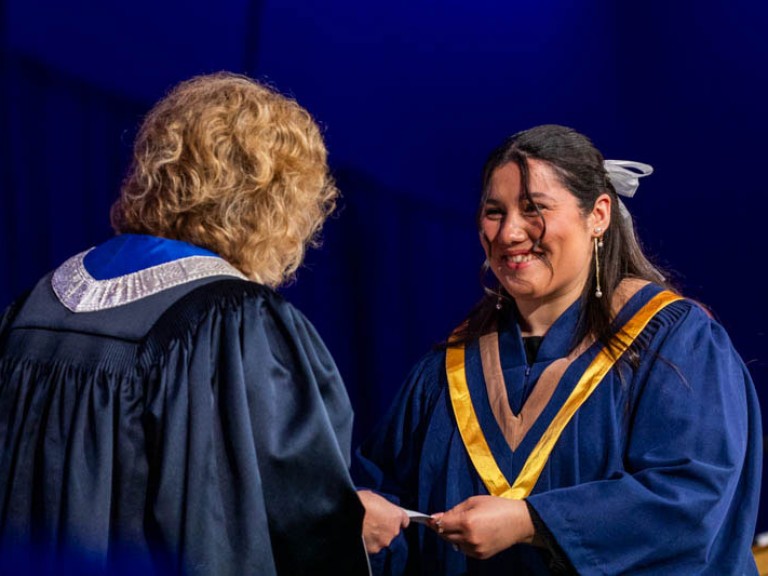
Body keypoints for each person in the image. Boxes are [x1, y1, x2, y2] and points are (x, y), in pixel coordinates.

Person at [0, 72, 370, 575]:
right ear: (276, 200)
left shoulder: (32, 309)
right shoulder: (236, 325)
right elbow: (300, 520)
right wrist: (354, 523)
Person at [353, 124, 762, 575]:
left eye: (534, 208)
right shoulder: (447, 371)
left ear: (599, 215)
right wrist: (363, 521)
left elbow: (689, 499)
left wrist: (534, 521)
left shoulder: (671, 342)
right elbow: (386, 496)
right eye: (494, 211)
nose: (509, 233)